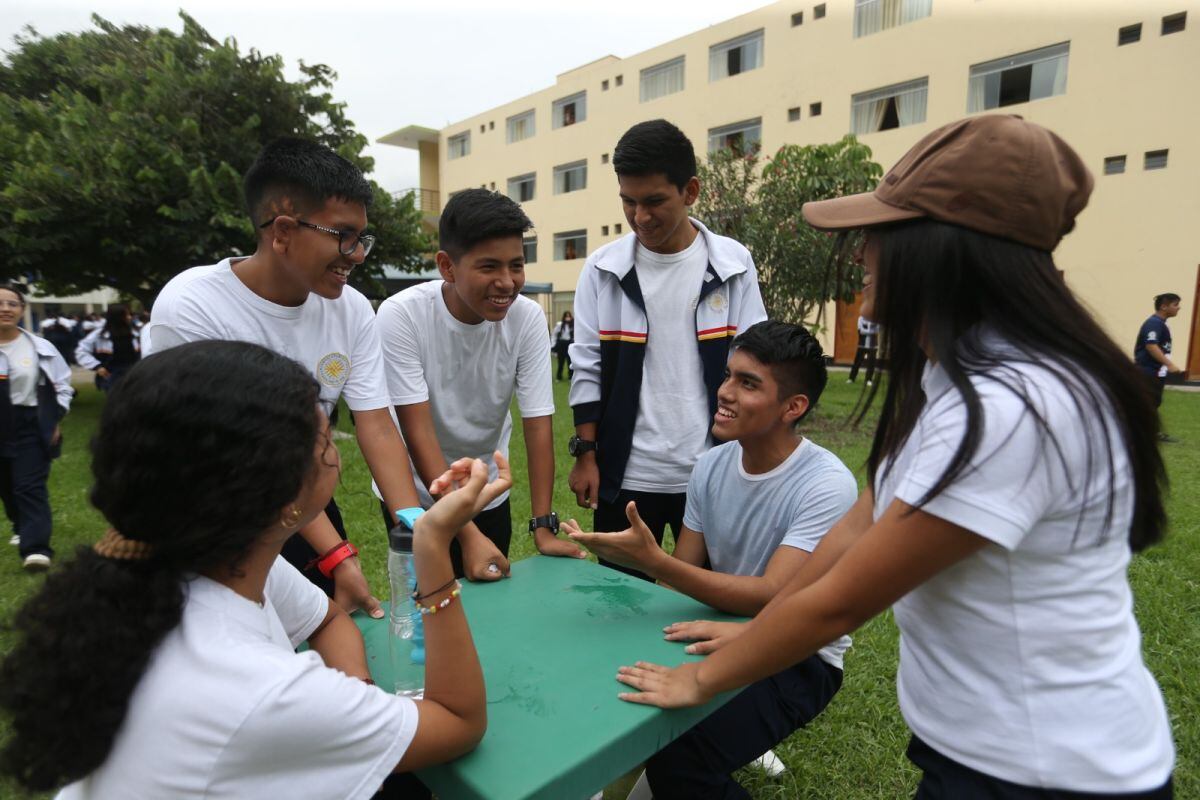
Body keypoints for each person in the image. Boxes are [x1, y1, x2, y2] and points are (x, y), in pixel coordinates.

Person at [609, 116, 1175, 798]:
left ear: (943, 253)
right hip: (986, 753)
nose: (862, 255)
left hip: (1050, 770)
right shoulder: (951, 377)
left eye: (881, 234)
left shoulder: (1010, 409)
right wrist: (747, 635)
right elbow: (850, 539)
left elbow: (840, 604)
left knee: (683, 762)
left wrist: (700, 678)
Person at [0, 340, 500, 798]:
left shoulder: (189, 562)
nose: (335, 455)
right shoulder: (255, 688)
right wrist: (432, 544)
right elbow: (458, 722)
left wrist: (350, 707)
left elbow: (327, 618)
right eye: (326, 442)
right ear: (284, 498)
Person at [142, 137, 468, 619]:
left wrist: (416, 528)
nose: (356, 254)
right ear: (283, 230)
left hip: (303, 503)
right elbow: (240, 458)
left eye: (362, 238)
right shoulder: (193, 306)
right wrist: (337, 554)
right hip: (211, 513)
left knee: (326, 635)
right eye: (343, 235)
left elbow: (375, 425)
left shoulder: (351, 309)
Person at [565, 320, 856, 798]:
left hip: (799, 655)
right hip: (714, 626)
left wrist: (652, 561)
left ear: (793, 407)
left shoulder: (825, 484)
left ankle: (726, 732)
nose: (724, 392)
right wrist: (633, 613)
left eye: (748, 383)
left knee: (681, 762)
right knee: (611, 691)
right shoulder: (711, 464)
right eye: (727, 375)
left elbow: (770, 597)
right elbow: (683, 576)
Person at [568, 119, 767, 580]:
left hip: (713, 471)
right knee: (620, 602)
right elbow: (587, 367)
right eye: (628, 201)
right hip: (626, 477)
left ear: (691, 190)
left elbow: (756, 363)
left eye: (654, 201)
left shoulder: (733, 265)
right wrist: (586, 454)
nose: (640, 216)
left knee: (711, 598)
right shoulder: (603, 270)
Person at [376, 189, 585, 570]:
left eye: (516, 265)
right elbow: (416, 431)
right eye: (489, 267)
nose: (506, 282)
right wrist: (465, 532)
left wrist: (542, 525)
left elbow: (538, 424)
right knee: (429, 605)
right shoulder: (402, 316)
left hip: (488, 492)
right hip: (417, 494)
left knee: (487, 608)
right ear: (447, 266)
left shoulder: (527, 318)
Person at [0, 285, 72, 571]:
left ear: (22, 309)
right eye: (0, 304)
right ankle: (21, 525)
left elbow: (62, 384)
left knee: (28, 484)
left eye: (12, 303)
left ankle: (36, 549)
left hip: (29, 421)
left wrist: (54, 418)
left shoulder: (41, 347)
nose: (5, 308)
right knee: (6, 485)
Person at [1133, 292, 1184, 442]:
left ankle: (1150, 433)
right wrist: (1169, 365)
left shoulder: (1161, 324)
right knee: (1146, 402)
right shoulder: (1154, 323)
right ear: (1163, 306)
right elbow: (1151, 346)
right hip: (1148, 371)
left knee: (1153, 402)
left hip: (1156, 372)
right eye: (1175, 305)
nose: (1178, 308)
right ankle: (1139, 434)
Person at [74, 304, 141, 392]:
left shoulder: (135, 333)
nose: (129, 317)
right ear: (117, 317)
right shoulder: (99, 335)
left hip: (134, 373)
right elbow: (81, 351)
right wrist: (97, 367)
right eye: (126, 315)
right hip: (112, 375)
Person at [848, 313, 879, 385]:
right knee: (857, 362)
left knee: (871, 363)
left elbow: (877, 330)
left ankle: (869, 380)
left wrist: (866, 330)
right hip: (862, 345)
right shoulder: (861, 318)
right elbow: (860, 330)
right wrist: (871, 331)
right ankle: (851, 379)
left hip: (873, 346)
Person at [552, 311, 574, 381]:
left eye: (569, 316)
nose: (567, 318)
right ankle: (559, 377)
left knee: (570, 361)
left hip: (569, 343)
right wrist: (553, 344)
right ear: (564, 317)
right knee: (560, 361)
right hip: (562, 344)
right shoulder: (560, 325)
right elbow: (554, 334)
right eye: (566, 316)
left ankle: (570, 376)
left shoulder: (573, 325)